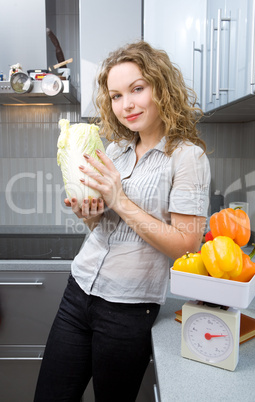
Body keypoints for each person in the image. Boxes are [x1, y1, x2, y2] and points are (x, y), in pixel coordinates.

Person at [34, 41, 210, 402]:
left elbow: (187, 243)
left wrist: (119, 199)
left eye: (137, 89)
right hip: (78, 292)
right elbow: (104, 227)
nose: (126, 105)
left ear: (162, 88)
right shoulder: (115, 150)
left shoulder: (187, 157)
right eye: (116, 96)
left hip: (128, 310)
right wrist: (92, 214)